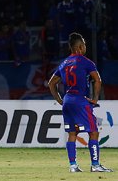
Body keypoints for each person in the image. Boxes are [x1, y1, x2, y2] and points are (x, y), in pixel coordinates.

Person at [48, 32, 113, 173]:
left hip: (67, 100)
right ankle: (95, 165)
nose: (85, 47)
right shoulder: (86, 62)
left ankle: (73, 166)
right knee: (94, 132)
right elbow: (98, 80)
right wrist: (95, 99)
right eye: (84, 44)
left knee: (72, 133)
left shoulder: (64, 63)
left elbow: (51, 83)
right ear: (80, 47)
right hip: (79, 100)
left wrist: (60, 99)